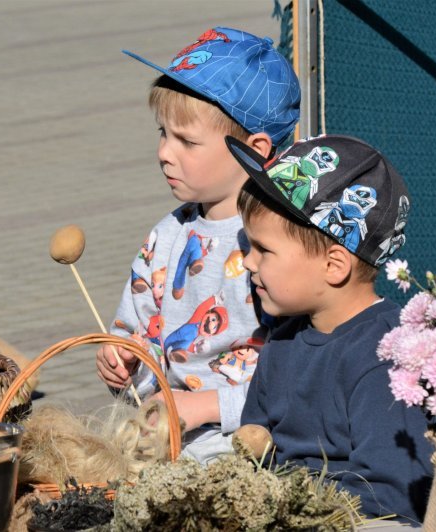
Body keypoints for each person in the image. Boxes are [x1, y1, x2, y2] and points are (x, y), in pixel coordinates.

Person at [95, 27, 300, 463]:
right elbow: (141, 338)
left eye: (187, 141)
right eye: (163, 133)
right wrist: (125, 364)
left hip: (250, 447)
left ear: (254, 149)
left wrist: (208, 406)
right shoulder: (167, 236)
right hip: (166, 440)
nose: (164, 153)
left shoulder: (281, 245)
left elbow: (302, 378)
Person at [227, 134, 434, 522]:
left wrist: (290, 510)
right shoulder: (283, 341)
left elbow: (392, 494)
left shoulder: (386, 357)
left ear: (334, 266)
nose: (248, 263)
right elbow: (254, 443)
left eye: (263, 250)